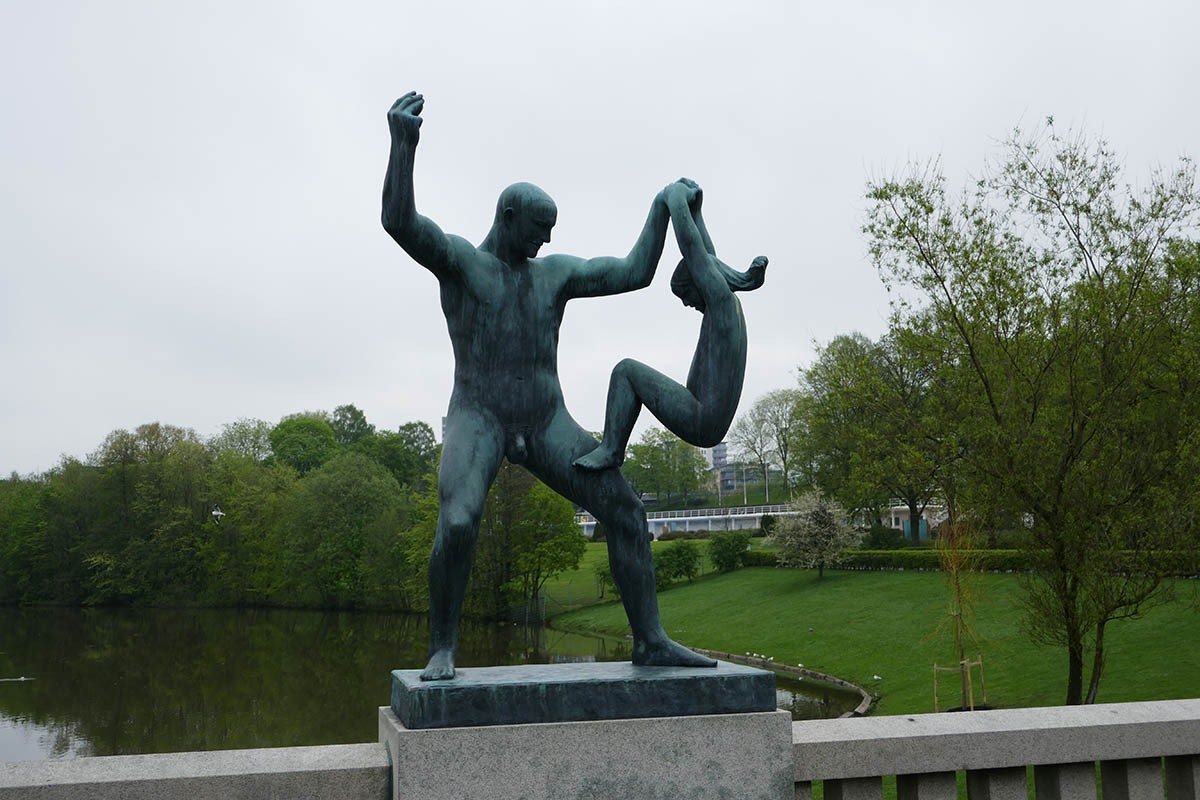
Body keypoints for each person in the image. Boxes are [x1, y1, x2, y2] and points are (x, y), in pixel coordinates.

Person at [382, 91, 716, 680]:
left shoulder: (554, 275)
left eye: (550, 232)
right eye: (538, 231)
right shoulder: (462, 264)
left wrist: (664, 207)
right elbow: (400, 223)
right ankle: (442, 647)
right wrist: (402, 147)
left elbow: (636, 272)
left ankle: (651, 642)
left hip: (544, 420)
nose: (543, 242)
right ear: (507, 219)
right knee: (458, 521)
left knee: (626, 510)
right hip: (479, 414)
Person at [573, 180, 766, 471]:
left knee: (626, 371)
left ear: (701, 284)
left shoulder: (723, 306)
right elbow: (706, 256)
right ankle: (611, 449)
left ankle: (612, 449)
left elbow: (694, 251)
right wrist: (696, 210)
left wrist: (674, 199)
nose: (688, 304)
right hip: (705, 416)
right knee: (628, 371)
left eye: (686, 295)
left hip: (702, 417)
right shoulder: (728, 309)